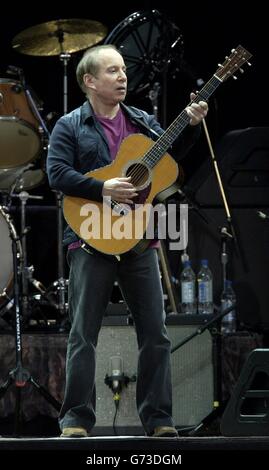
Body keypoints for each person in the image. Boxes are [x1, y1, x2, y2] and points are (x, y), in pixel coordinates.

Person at [47, 44, 208, 438]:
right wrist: (103, 188)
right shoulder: (70, 125)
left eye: (123, 70)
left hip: (139, 241)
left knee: (155, 332)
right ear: (89, 81)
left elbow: (169, 161)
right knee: (83, 334)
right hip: (90, 238)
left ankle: (159, 420)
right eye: (112, 71)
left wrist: (189, 125)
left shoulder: (142, 121)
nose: (123, 77)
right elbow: (57, 175)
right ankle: (76, 421)